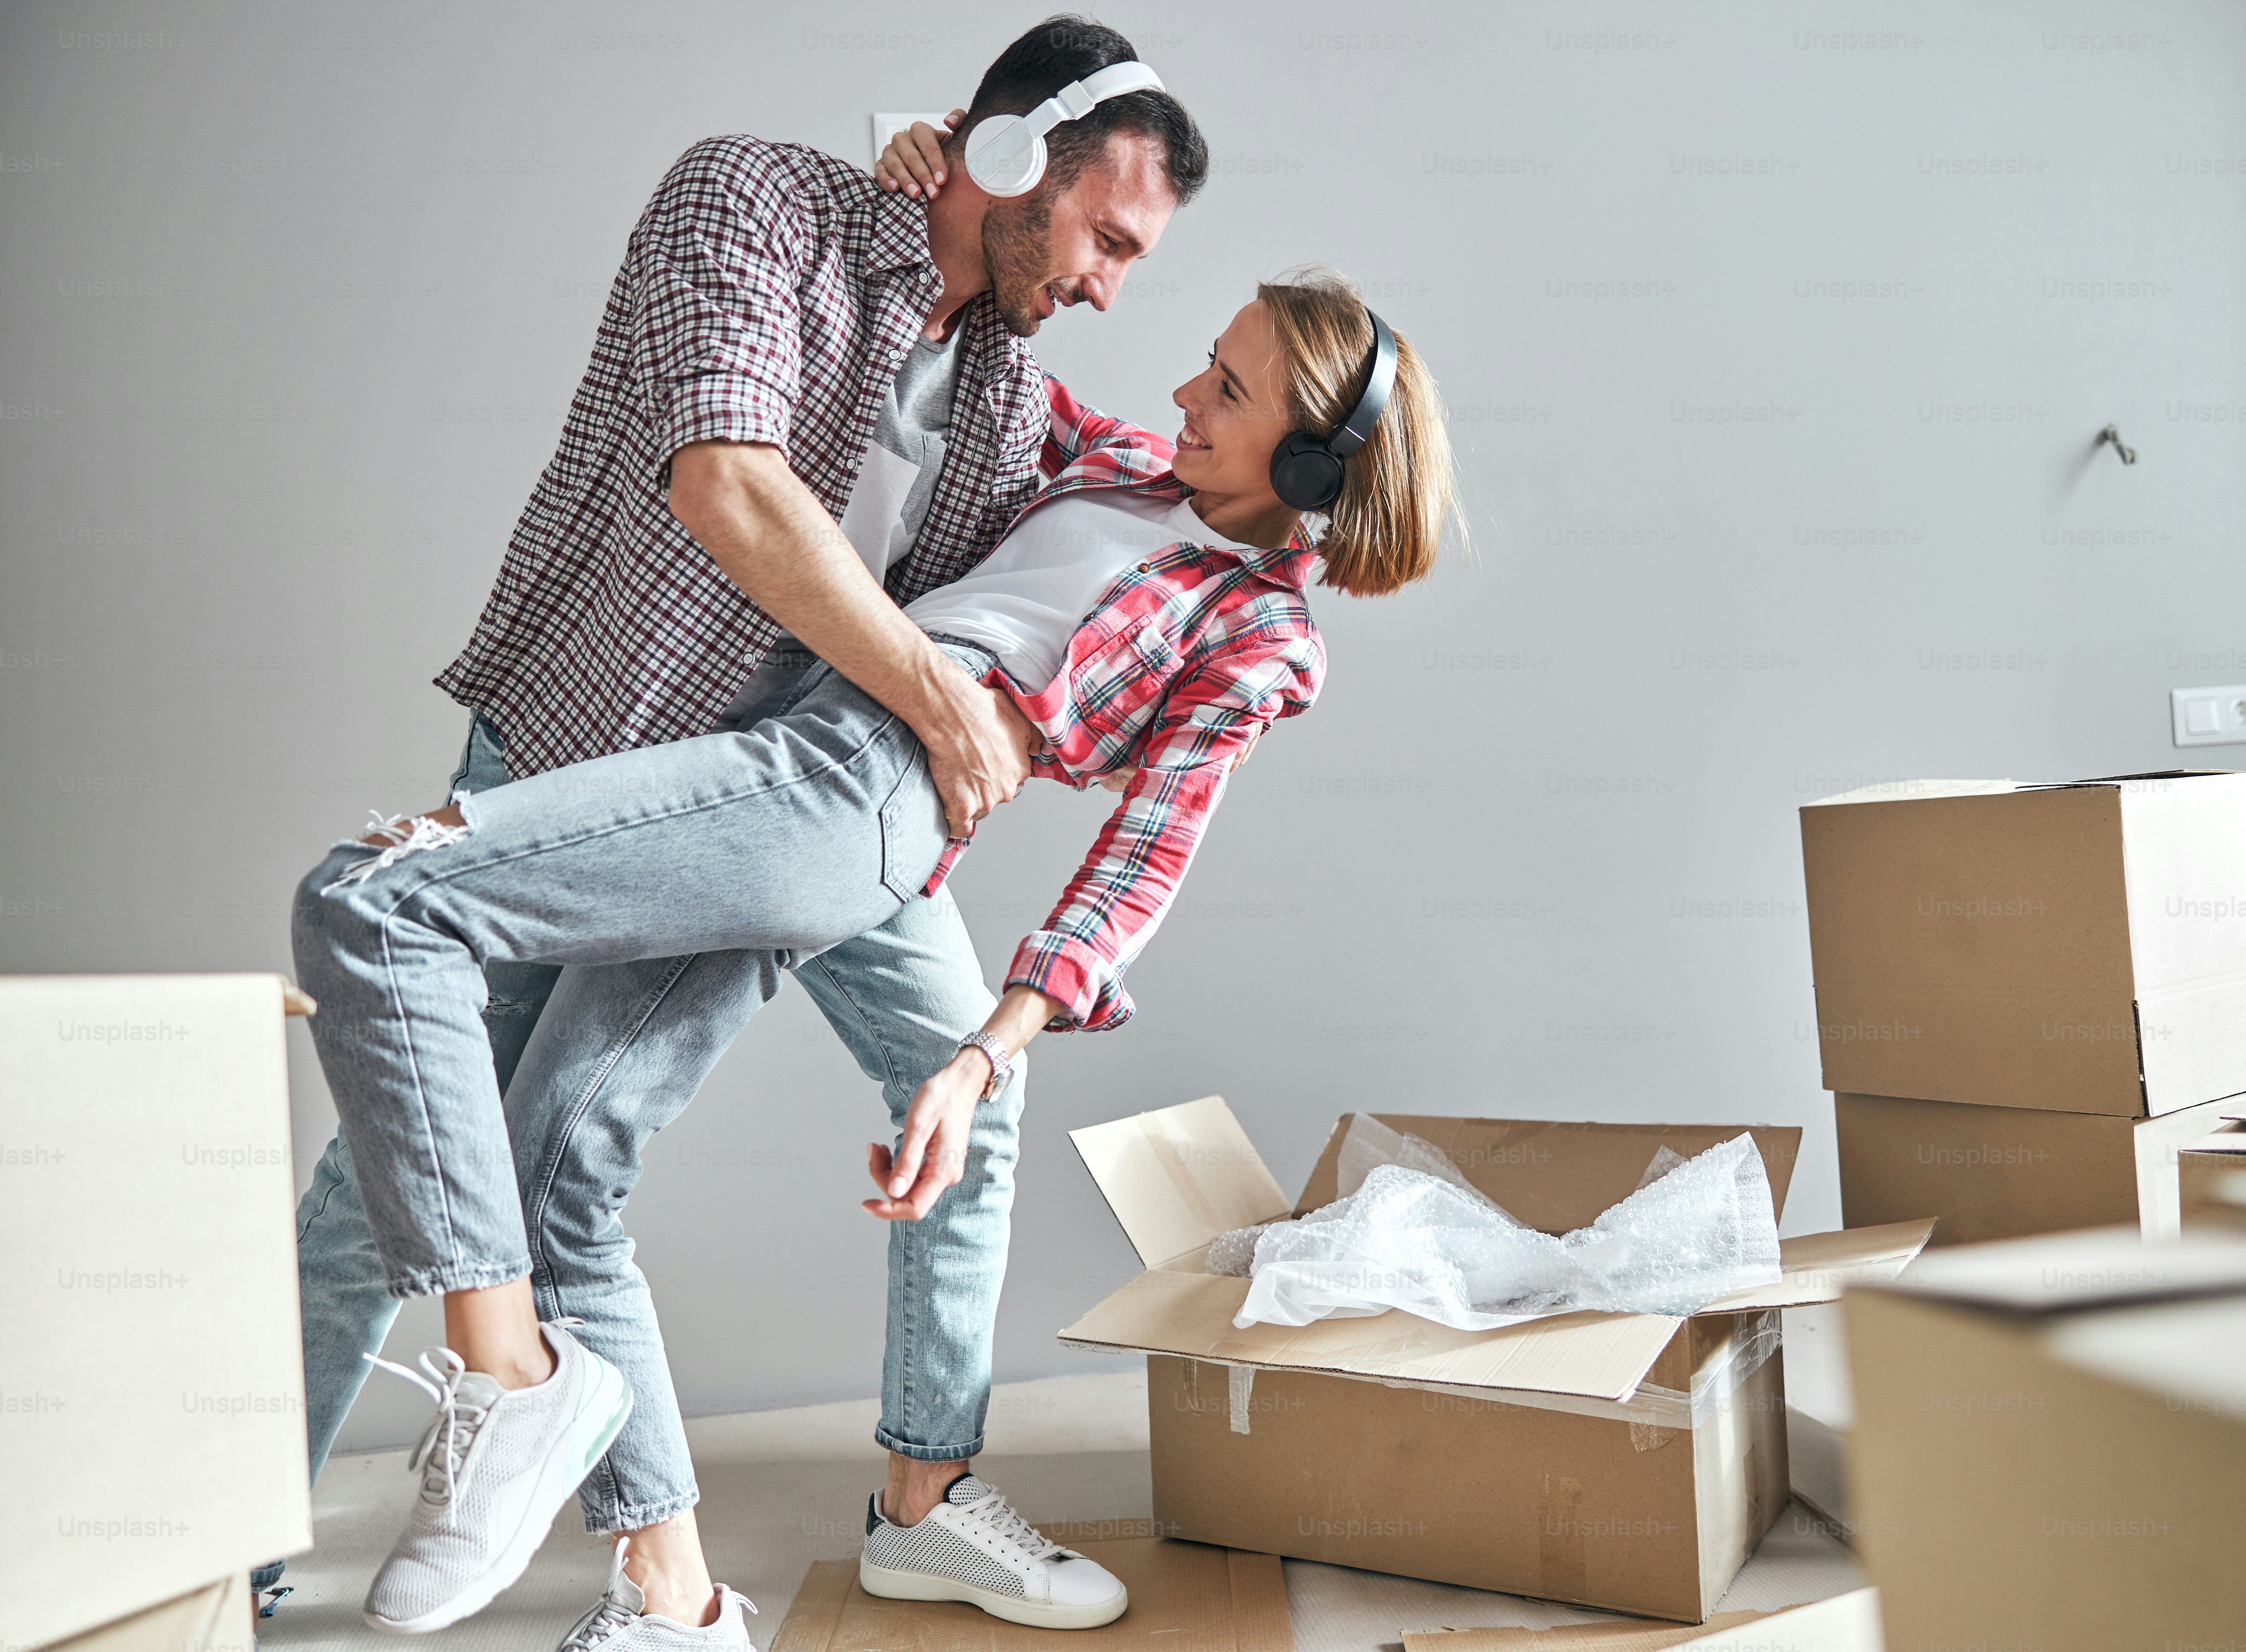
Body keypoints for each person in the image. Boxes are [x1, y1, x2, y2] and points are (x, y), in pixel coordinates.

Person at [290, 265, 1454, 1639]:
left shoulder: (1259, 634)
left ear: (1309, 461)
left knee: (405, 926)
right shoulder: (1120, 463)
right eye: (1209, 360)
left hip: (856, 792)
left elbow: (1144, 858)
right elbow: (958, 350)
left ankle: (791, 1505)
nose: (1187, 392)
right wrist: (922, 181)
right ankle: (671, 1597)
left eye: (1231, 389)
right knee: (542, 1163)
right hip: (786, 724)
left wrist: (984, 1052)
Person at [254, 15, 1207, 1644]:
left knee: (971, 1084)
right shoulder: (753, 201)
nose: (1114, 286)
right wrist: (940, 698)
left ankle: (922, 1500)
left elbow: (1170, 494)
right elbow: (728, 481)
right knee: (402, 1151)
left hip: (805, 795)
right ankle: (243, 1529)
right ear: (1003, 161)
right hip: (588, 753)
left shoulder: (1007, 388)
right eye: (1108, 239)